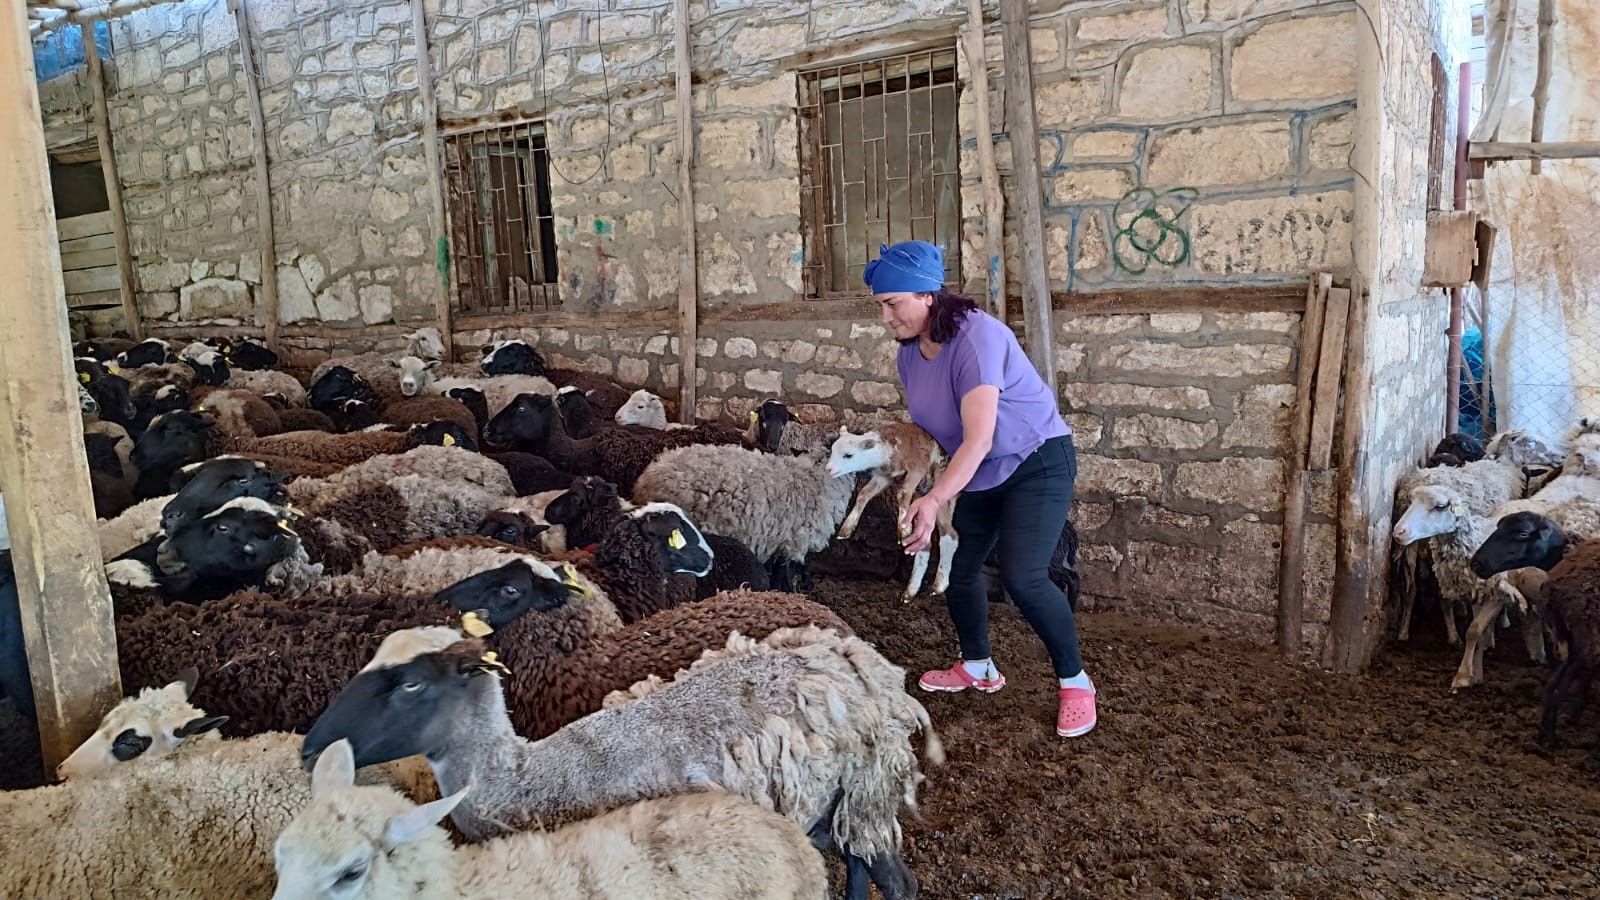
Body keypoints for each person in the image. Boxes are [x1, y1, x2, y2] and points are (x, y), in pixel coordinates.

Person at [863, 240, 1096, 738]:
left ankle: (1076, 683)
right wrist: (920, 486)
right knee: (961, 568)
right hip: (983, 470)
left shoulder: (977, 338)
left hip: (1036, 461)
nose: (885, 317)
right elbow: (938, 431)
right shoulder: (910, 353)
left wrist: (935, 498)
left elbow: (980, 436)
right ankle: (978, 666)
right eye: (881, 306)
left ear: (927, 295)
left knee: (1024, 575)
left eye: (891, 303)